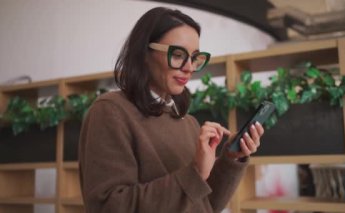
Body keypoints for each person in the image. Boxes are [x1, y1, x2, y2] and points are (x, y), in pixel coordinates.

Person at [78, 7, 264, 213]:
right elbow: (110, 206)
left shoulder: (188, 122)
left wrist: (230, 159)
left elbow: (204, 205)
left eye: (194, 58)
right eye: (177, 55)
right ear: (144, 54)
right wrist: (193, 173)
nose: (189, 67)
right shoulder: (111, 111)